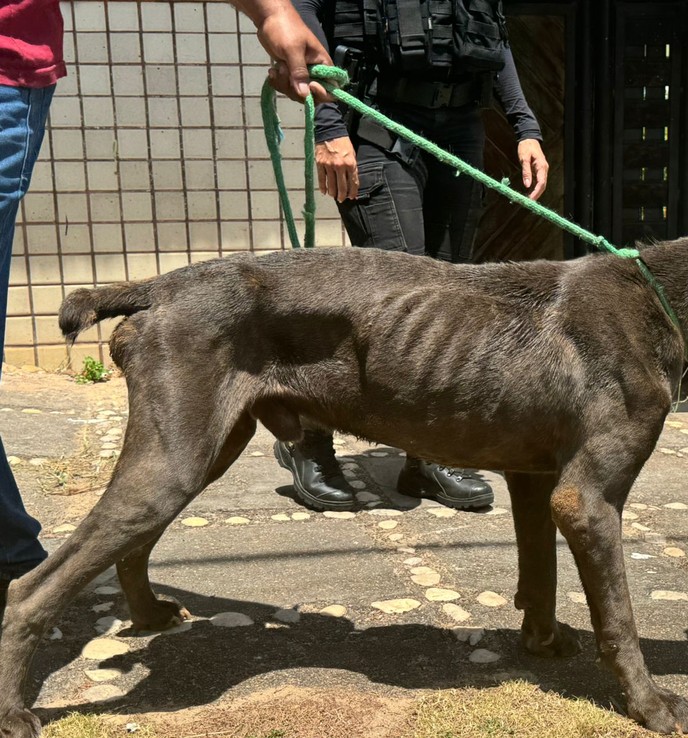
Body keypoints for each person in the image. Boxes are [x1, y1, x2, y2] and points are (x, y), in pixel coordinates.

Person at [0, 0, 333, 616]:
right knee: (165, 476)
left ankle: (15, 563)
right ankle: (26, 589)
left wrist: (269, 11)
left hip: (10, 66)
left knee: (170, 475)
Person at [272, 0, 548, 513]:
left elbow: (495, 34)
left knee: (451, 306)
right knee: (394, 305)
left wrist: (524, 125)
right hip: (377, 120)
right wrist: (328, 127)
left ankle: (428, 456)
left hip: (462, 125)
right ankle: (306, 439)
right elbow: (303, 16)